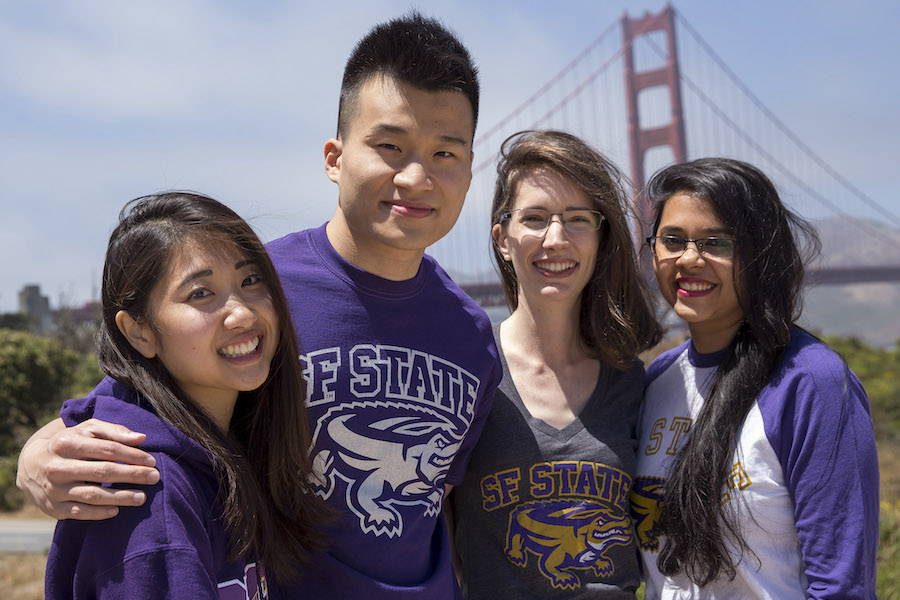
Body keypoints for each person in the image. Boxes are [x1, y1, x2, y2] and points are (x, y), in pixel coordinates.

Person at [18, 12, 501, 599]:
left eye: (445, 153)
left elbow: (435, 502)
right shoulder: (252, 294)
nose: (417, 177)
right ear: (334, 157)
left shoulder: (472, 335)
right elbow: (140, 402)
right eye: (390, 146)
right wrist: (36, 451)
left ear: (471, 172)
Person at [43, 192, 326, 599]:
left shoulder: (227, 452)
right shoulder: (147, 490)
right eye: (200, 294)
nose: (243, 313)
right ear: (139, 332)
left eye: (250, 280)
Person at [633, 157, 879, 598]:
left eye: (716, 242)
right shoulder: (656, 380)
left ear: (760, 254)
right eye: (672, 240)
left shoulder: (811, 384)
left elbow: (841, 587)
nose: (689, 259)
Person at [448, 130, 662, 599]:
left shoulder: (633, 382)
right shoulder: (466, 372)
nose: (557, 239)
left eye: (578, 219)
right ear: (503, 239)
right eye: (536, 218)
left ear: (601, 239)